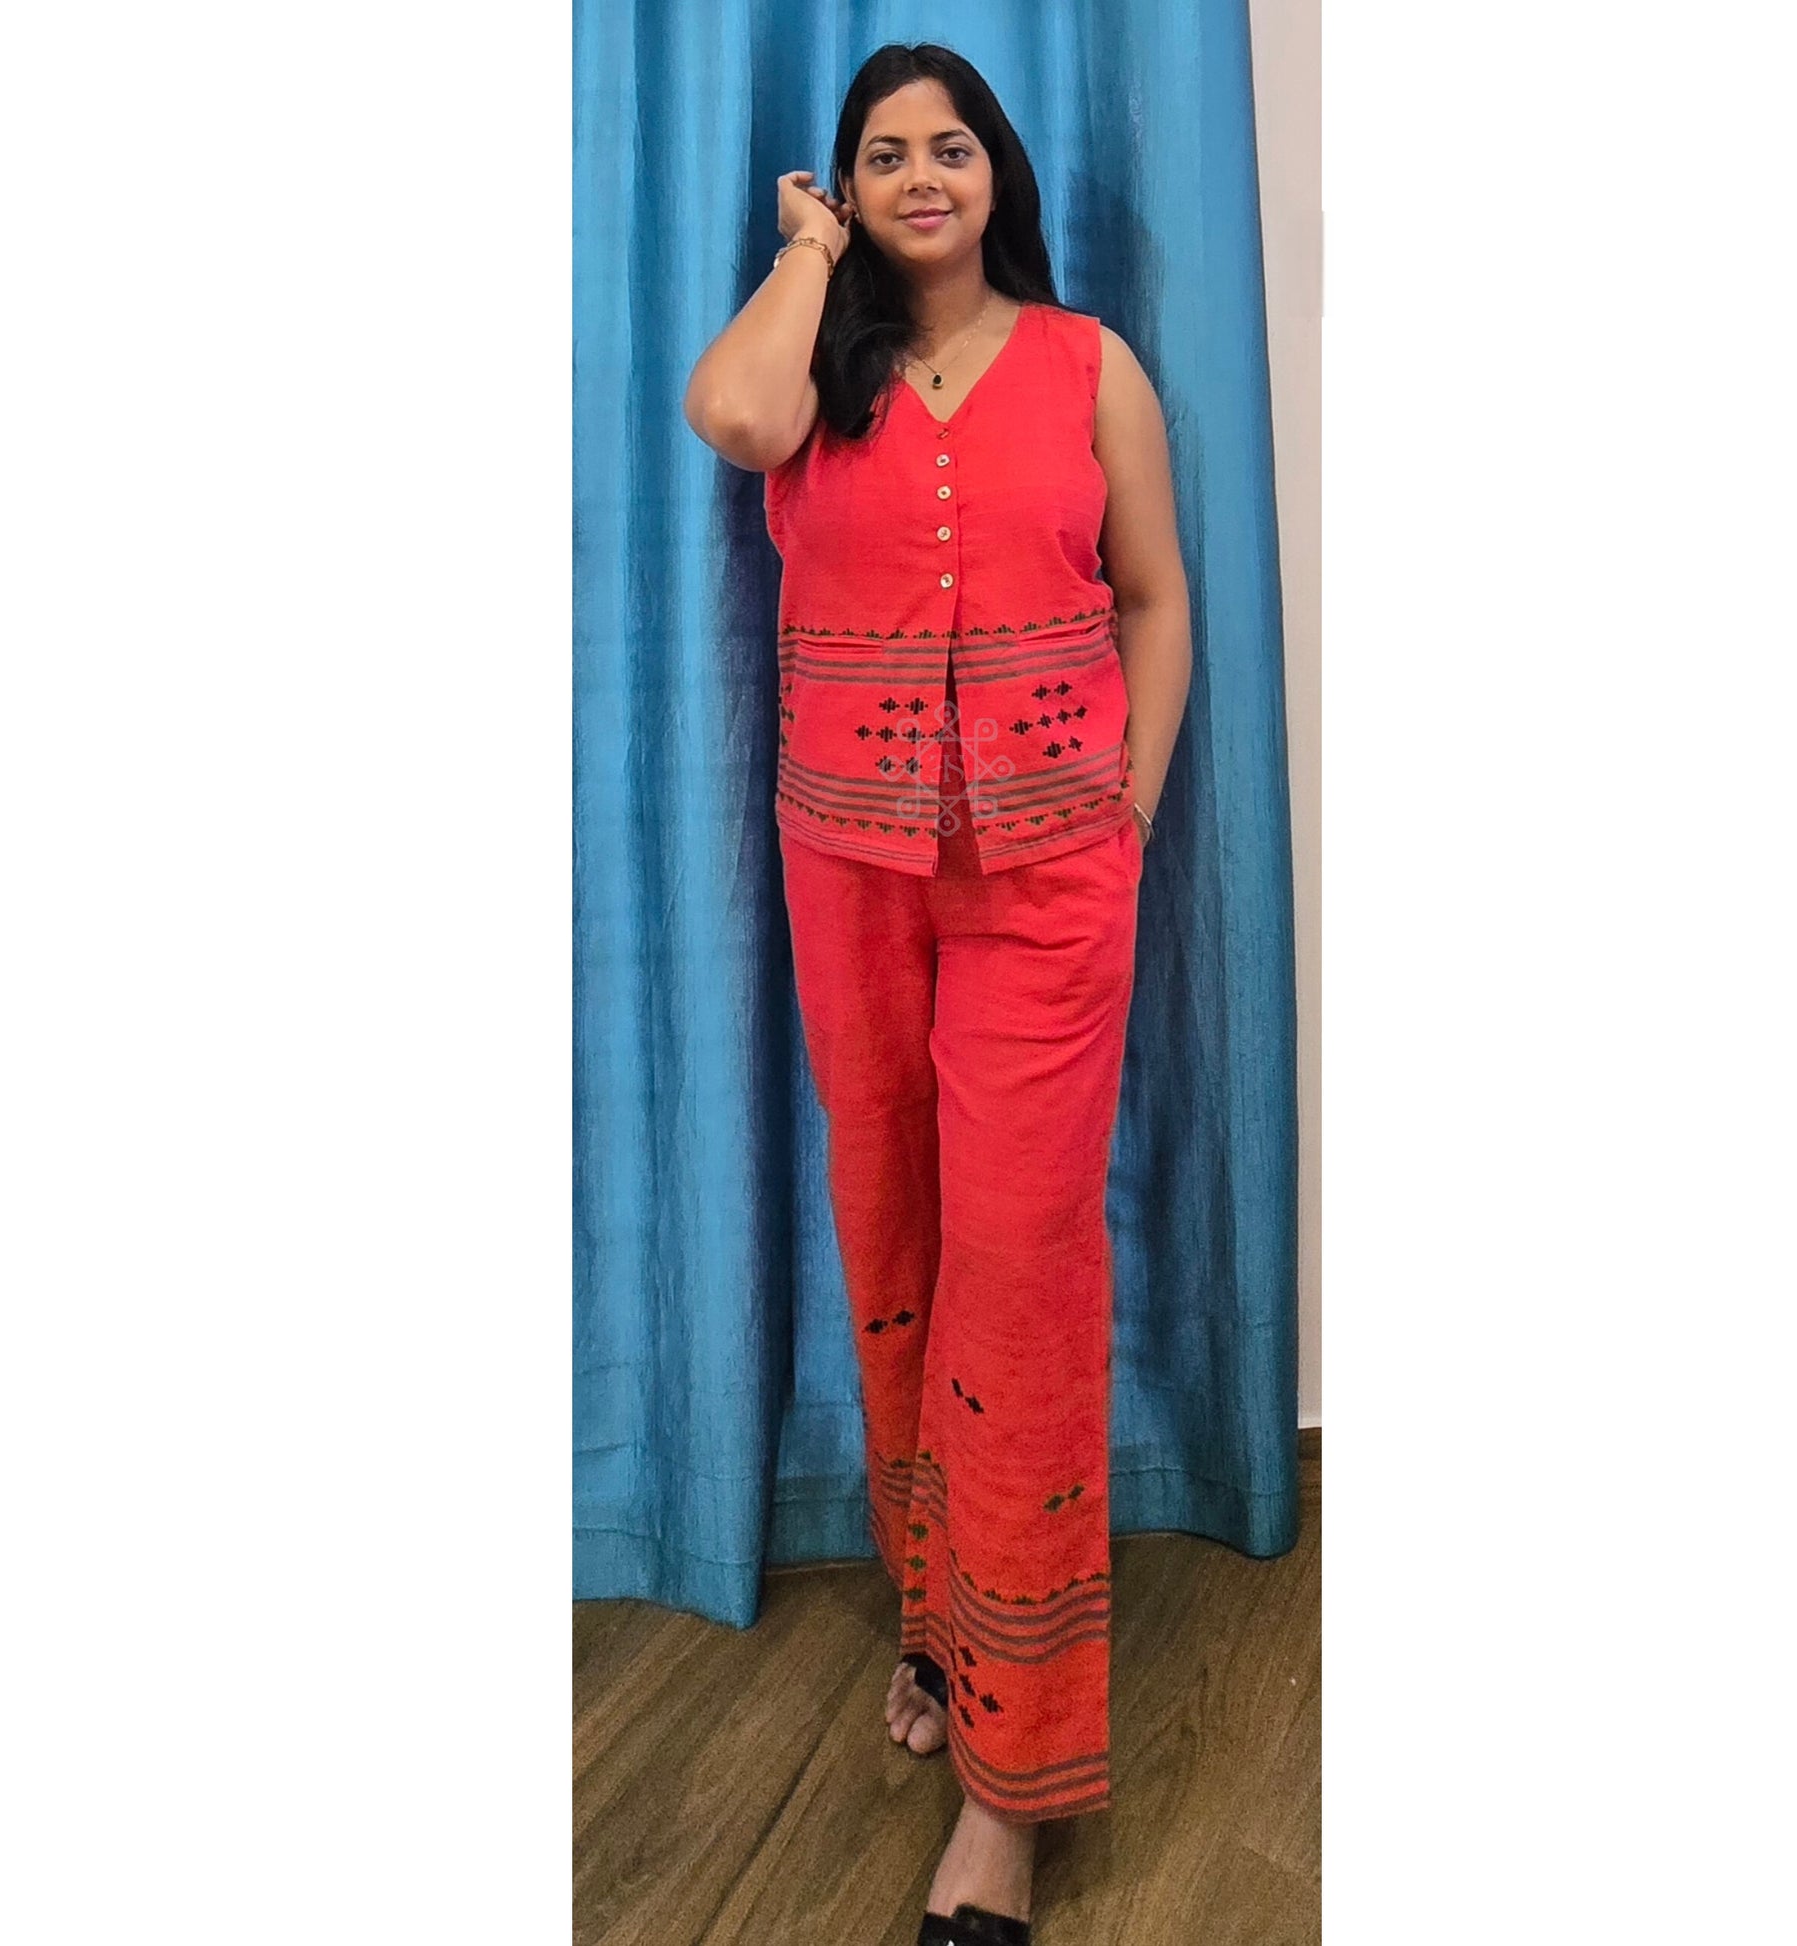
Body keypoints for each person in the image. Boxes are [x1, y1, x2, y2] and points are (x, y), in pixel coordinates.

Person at [684, 41, 1191, 1946]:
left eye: (949, 146)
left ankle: (1012, 1787)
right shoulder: (813, 382)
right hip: (851, 883)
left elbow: (1156, 599)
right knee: (892, 1240)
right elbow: (725, 410)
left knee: (1023, 1277)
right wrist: (807, 254)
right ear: (847, 185)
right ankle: (938, 1625)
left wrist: (1125, 819)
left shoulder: (1089, 364)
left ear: (999, 174)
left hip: (1049, 893)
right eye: (881, 154)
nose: (919, 174)